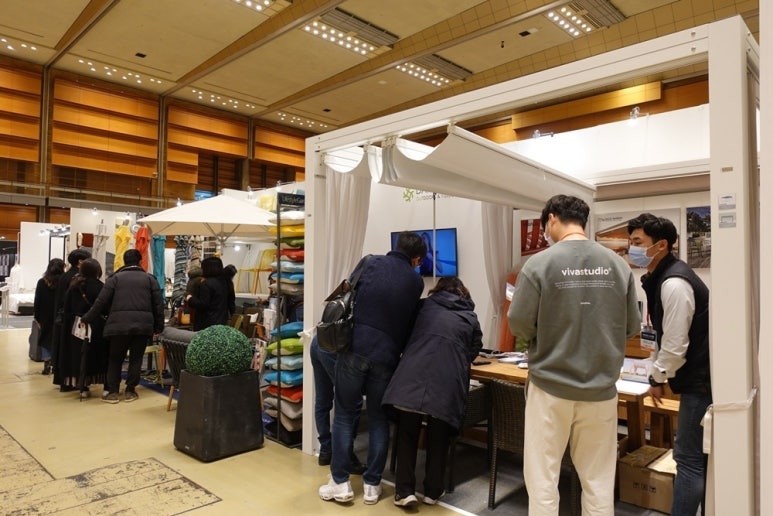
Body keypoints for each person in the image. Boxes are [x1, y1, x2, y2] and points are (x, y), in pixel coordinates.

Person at [508, 194, 640, 516]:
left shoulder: (538, 264)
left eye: (545, 225)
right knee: (598, 481)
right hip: (601, 390)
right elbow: (631, 327)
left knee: (543, 480)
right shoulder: (618, 265)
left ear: (552, 218)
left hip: (550, 388)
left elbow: (518, 323)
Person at [318, 231, 426, 505]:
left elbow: (348, 293)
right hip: (386, 357)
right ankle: (372, 485)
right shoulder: (416, 282)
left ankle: (340, 483)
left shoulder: (371, 262)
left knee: (344, 415)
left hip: (354, 348)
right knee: (379, 419)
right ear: (416, 259)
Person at [627, 213, 711, 516]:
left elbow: (675, 344)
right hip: (696, 378)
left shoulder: (674, 282)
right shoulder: (662, 277)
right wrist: (657, 373)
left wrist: (657, 377)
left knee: (688, 460)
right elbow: (664, 338)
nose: (631, 248)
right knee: (696, 458)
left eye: (638, 242)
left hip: (700, 381)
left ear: (661, 245)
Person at [382, 276, 483, 507]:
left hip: (413, 373)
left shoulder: (423, 307)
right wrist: (456, 359)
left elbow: (405, 334)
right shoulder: (470, 317)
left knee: (407, 433)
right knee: (439, 436)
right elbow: (474, 348)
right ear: (463, 293)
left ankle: (404, 492)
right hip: (447, 381)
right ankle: (433, 492)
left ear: (437, 289)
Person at [81, 249, 165, 404]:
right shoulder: (150, 279)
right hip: (142, 326)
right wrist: (159, 327)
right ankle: (130, 391)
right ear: (140, 261)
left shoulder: (114, 279)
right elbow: (159, 305)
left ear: (124, 261)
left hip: (118, 325)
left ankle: (112, 392)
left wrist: (87, 318)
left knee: (115, 358)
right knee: (136, 358)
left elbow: (101, 302)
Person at [309, 334, 365, 474]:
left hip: (318, 339)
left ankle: (326, 450)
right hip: (334, 345)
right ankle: (346, 456)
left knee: (323, 400)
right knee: (353, 400)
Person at [61, 258, 107, 399]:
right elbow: (105, 307)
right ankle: (105, 386)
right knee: (98, 355)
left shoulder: (74, 286)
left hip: (77, 326)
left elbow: (66, 308)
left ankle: (83, 387)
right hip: (97, 326)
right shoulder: (101, 287)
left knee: (79, 356)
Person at [51, 248, 92, 391]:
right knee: (74, 352)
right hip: (74, 319)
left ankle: (64, 381)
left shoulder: (65, 276)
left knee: (63, 350)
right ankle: (73, 382)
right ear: (80, 262)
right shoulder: (78, 277)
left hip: (62, 318)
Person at [33, 258, 65, 375]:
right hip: (60, 315)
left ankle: (46, 362)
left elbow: (37, 301)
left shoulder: (42, 282)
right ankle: (56, 364)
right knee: (59, 338)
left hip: (45, 315)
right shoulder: (64, 282)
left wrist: (37, 316)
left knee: (45, 337)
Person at [186, 256, 229, 330]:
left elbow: (203, 304)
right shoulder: (224, 283)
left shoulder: (206, 284)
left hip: (207, 324)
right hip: (221, 322)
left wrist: (190, 298)